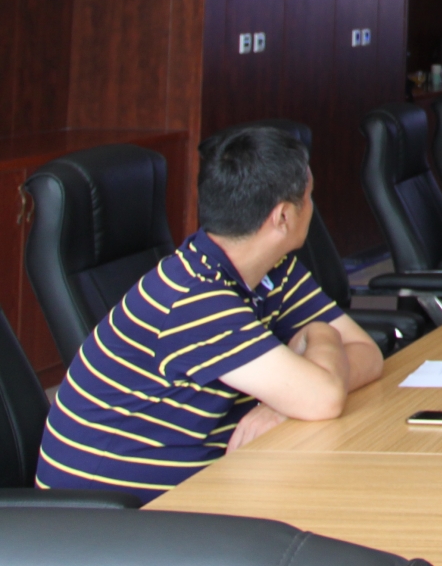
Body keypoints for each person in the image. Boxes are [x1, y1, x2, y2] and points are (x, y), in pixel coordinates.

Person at [35, 125, 384, 500]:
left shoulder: (271, 267)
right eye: (310, 196)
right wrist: (323, 335)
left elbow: (367, 354)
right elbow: (324, 397)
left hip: (205, 480)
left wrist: (282, 405)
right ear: (283, 217)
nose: (313, 208)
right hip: (114, 514)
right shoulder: (194, 297)